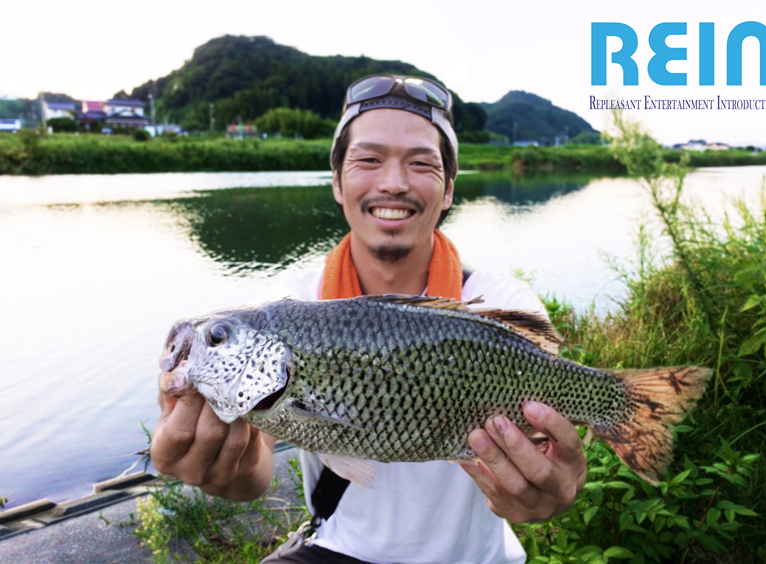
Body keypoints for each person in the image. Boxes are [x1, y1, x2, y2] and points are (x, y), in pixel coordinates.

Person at [151, 75, 587, 564]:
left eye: (422, 163)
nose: (394, 183)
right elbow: (256, 469)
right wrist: (228, 468)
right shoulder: (287, 302)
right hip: (336, 551)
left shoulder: (502, 302)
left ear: (447, 191)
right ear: (337, 181)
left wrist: (553, 486)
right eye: (369, 159)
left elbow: (552, 455)